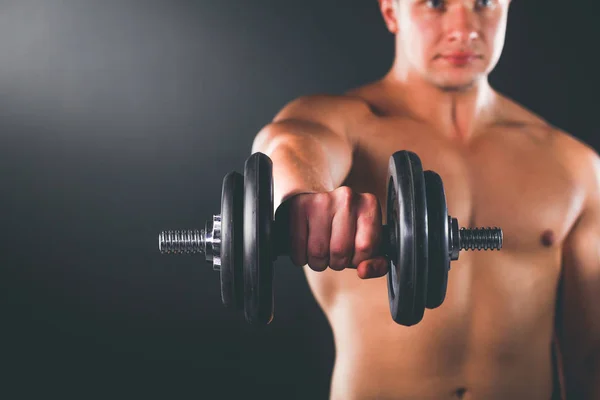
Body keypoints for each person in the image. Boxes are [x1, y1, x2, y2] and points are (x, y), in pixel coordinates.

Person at [251, 0, 600, 398]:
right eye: (436, 4)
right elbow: (290, 143)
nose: (464, 28)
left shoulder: (572, 165)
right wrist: (304, 194)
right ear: (390, 11)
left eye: (484, 4)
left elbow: (590, 358)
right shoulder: (349, 125)